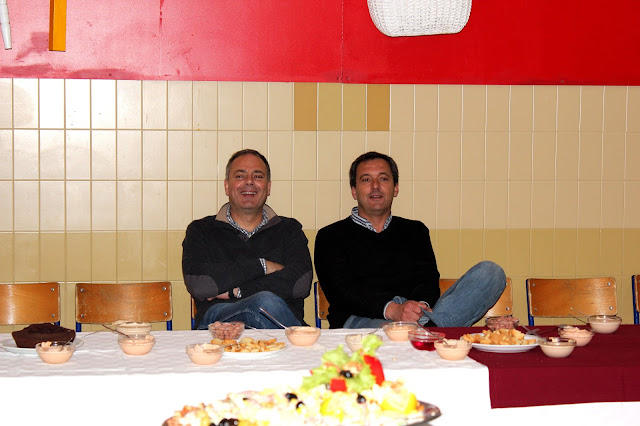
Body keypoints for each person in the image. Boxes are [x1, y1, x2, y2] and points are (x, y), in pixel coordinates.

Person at [314, 151, 506, 329]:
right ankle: (426, 333)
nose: (375, 186)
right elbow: (342, 292)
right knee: (392, 330)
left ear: (395, 188)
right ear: (354, 191)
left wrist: (416, 308)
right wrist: (392, 310)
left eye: (383, 178)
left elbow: (428, 281)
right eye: (366, 179)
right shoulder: (330, 236)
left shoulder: (415, 231)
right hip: (361, 321)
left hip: (419, 317)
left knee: (490, 273)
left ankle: (422, 331)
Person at [182, 149, 313, 329]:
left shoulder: (290, 229)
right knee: (264, 302)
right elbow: (201, 284)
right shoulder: (201, 230)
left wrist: (236, 291)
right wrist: (263, 266)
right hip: (218, 324)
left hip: (278, 323)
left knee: (264, 302)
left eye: (258, 176)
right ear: (227, 186)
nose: (249, 181)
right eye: (240, 176)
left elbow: (300, 283)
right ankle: (302, 344)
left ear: (268, 187)